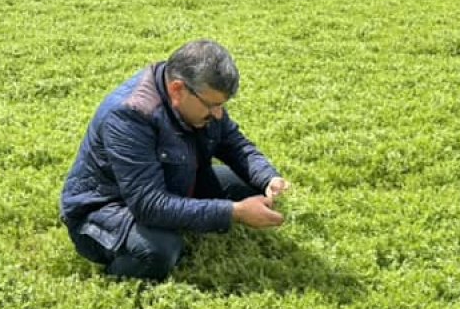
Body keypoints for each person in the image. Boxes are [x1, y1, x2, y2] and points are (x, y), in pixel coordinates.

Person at [60, 39, 290, 281]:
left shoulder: (200, 93)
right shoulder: (129, 115)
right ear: (177, 89)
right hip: (107, 209)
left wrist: (268, 177)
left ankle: (186, 213)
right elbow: (148, 204)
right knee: (159, 250)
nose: (218, 114)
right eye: (212, 105)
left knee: (251, 186)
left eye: (222, 105)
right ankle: (121, 278)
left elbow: (233, 143)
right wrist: (233, 212)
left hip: (174, 179)